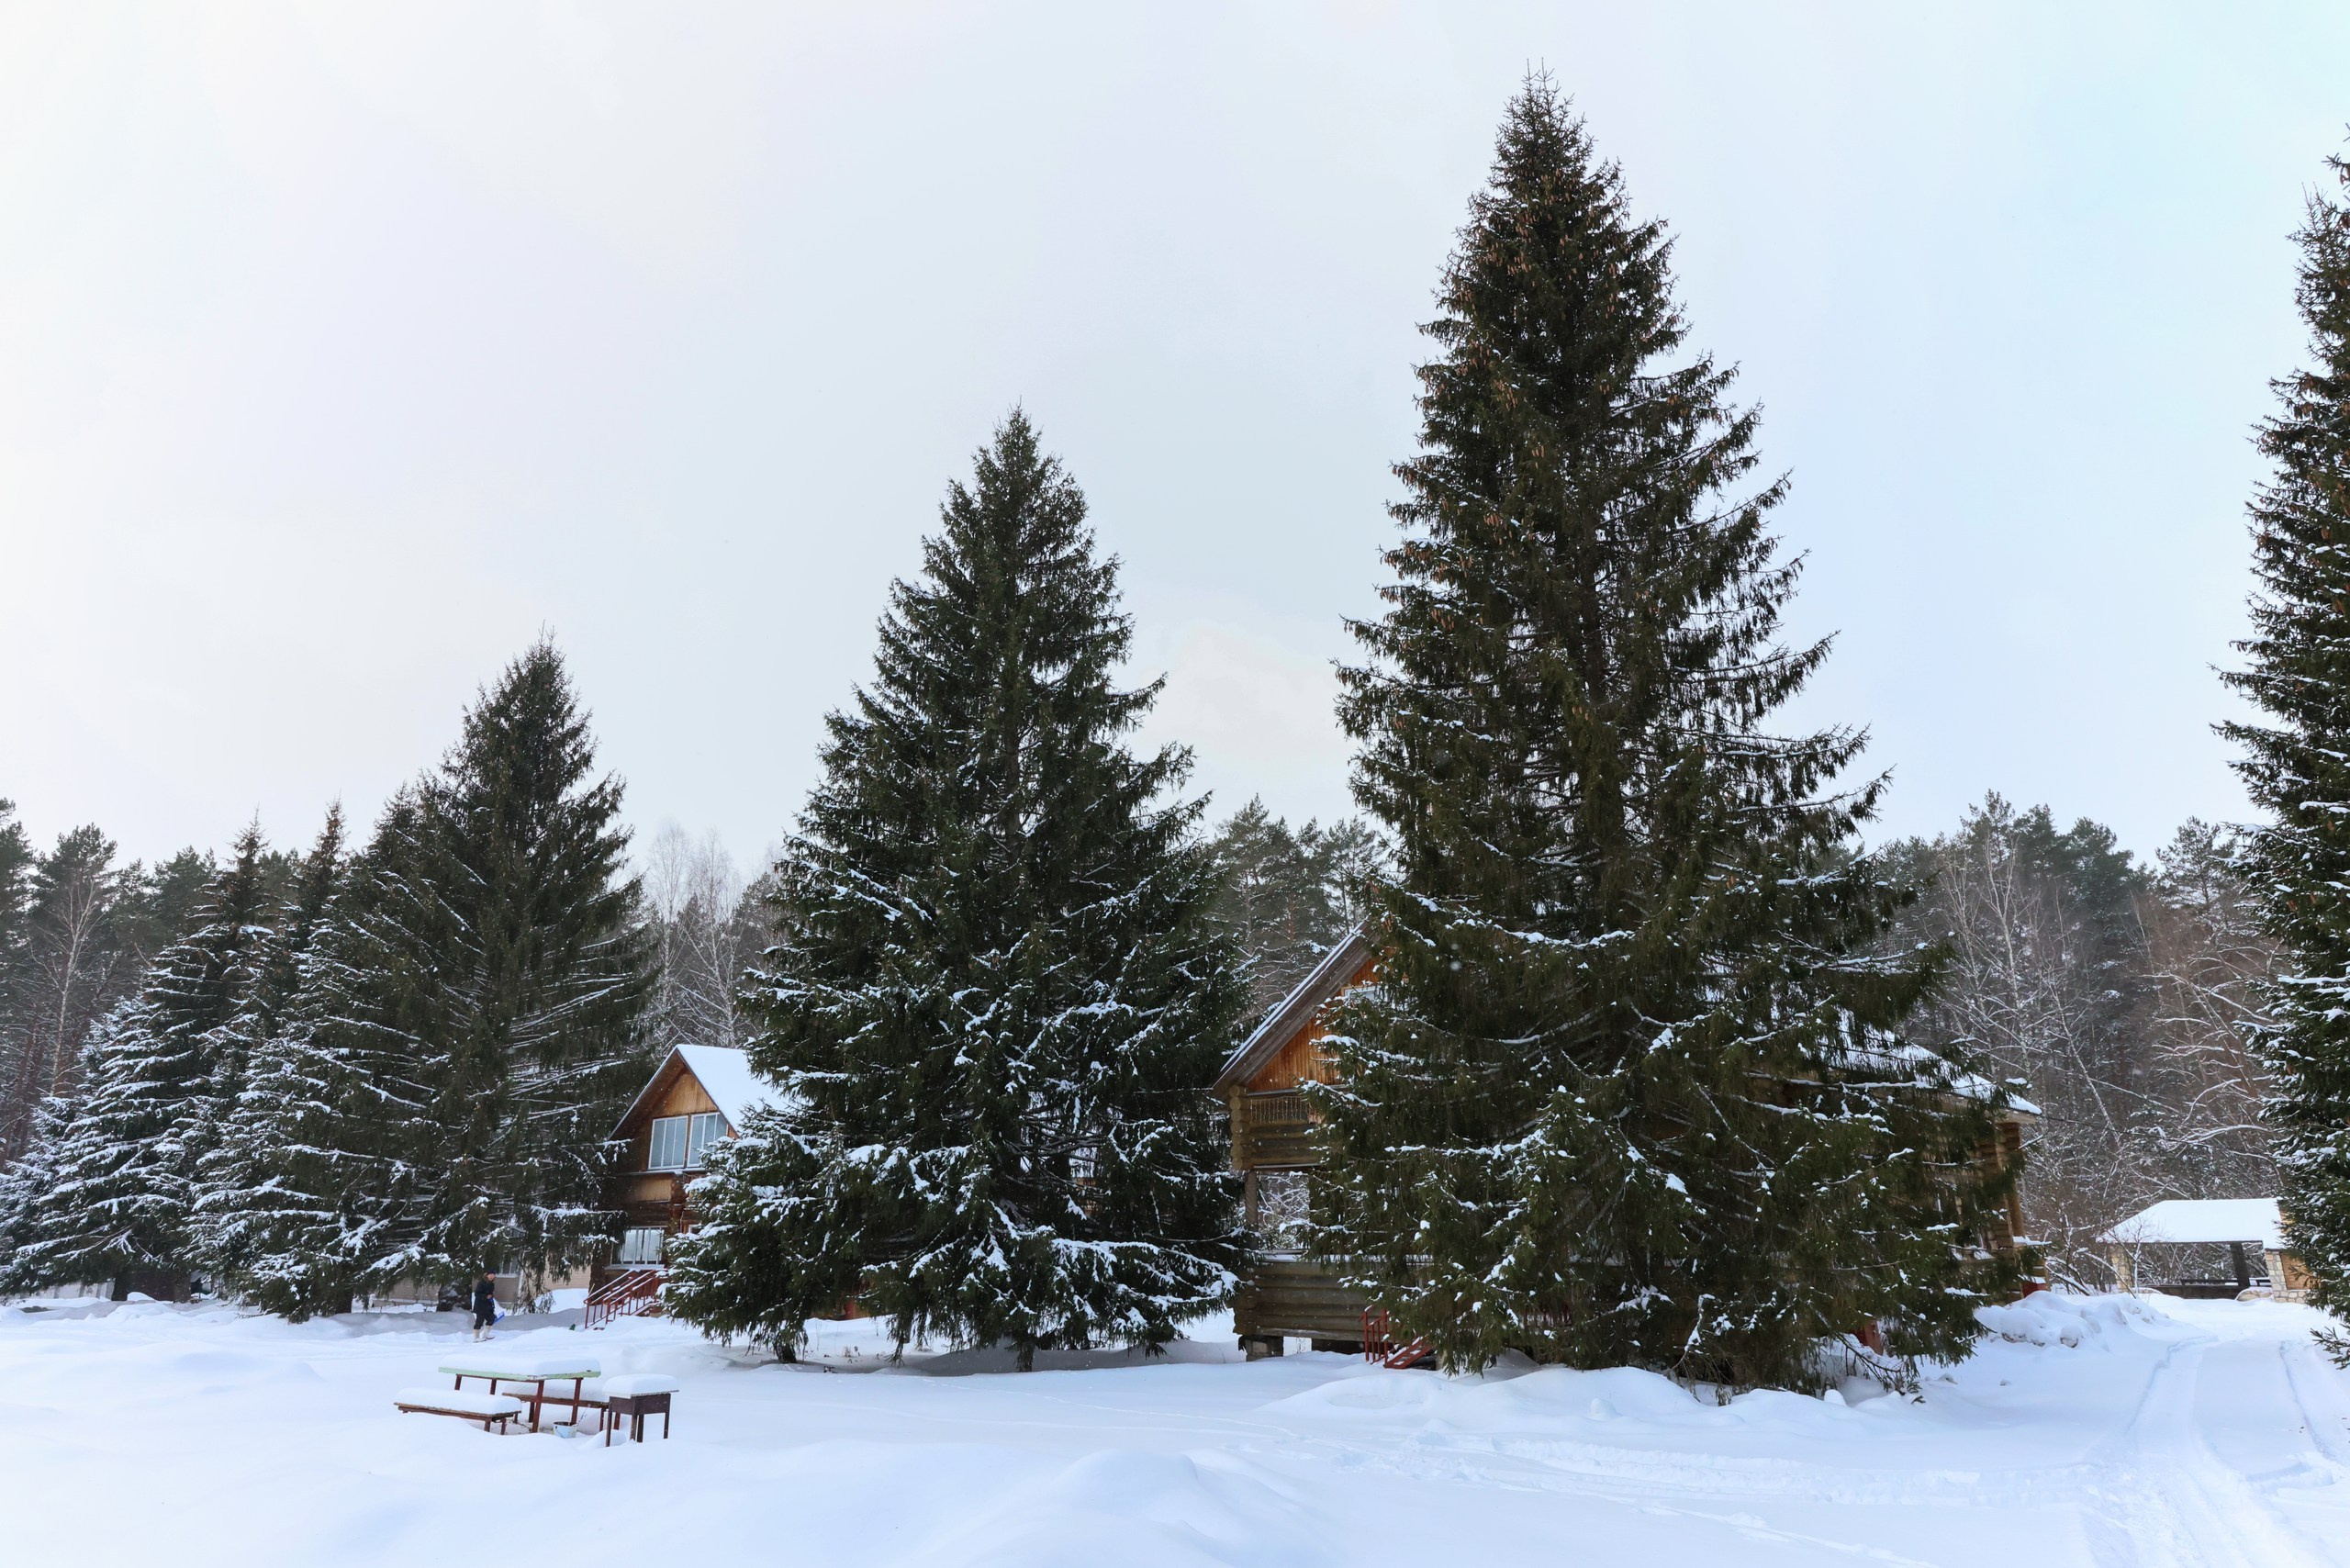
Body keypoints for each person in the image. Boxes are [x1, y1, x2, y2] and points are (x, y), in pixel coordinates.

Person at [470, 1271, 498, 1341]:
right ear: (487, 1275)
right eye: (490, 1275)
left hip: (488, 1306)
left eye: (493, 1275)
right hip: (480, 1306)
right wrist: (486, 1296)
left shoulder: (491, 1284)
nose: (492, 1276)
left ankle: (486, 1335)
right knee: (479, 1321)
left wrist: (491, 1298)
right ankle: (476, 1337)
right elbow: (477, 1294)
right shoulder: (481, 1283)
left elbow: (490, 1294)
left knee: (491, 1318)